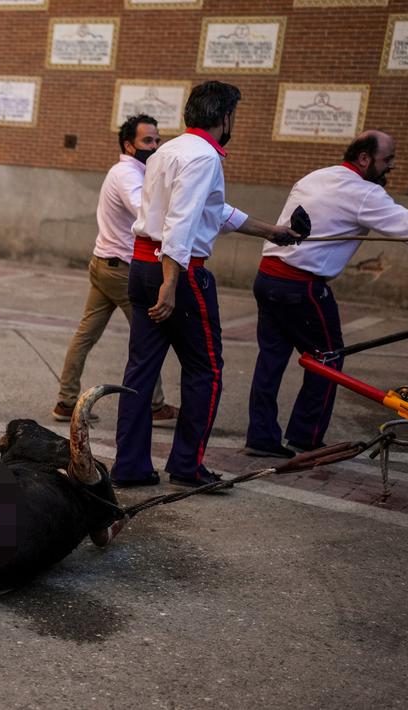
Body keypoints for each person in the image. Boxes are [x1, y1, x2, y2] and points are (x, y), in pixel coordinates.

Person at [110, 81, 302, 489]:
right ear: (225, 116)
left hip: (142, 267)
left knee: (140, 373)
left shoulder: (170, 150)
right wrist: (171, 283)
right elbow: (180, 221)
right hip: (177, 272)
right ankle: (187, 467)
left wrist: (273, 231)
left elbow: (214, 210)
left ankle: (129, 467)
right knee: (206, 370)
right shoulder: (203, 157)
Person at [245, 130, 408, 458]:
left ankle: (261, 437)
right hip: (302, 286)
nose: (391, 167)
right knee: (328, 357)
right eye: (387, 160)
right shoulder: (365, 193)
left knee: (271, 359)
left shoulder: (316, 176)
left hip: (267, 276)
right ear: (364, 159)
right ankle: (305, 437)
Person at [53, 114, 178, 426]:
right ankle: (155, 404)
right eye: (147, 140)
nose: (155, 145)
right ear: (128, 144)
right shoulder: (128, 174)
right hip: (120, 270)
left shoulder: (130, 171)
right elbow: (144, 212)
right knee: (148, 335)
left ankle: (66, 402)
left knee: (85, 334)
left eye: (157, 139)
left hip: (104, 264)